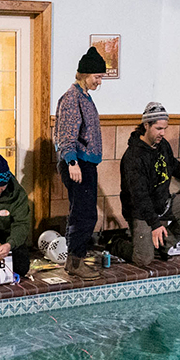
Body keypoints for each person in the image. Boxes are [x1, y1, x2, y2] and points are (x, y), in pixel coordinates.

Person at [120, 102, 180, 267]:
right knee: (143, 260)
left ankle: (160, 247)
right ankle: (116, 244)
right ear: (146, 125)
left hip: (163, 202)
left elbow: (172, 164)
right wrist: (155, 225)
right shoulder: (133, 157)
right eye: (158, 128)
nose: (163, 133)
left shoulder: (162, 145)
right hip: (140, 210)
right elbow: (140, 196)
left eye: (165, 128)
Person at [54, 47, 106, 280]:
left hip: (85, 163)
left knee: (84, 213)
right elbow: (66, 134)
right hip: (77, 163)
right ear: (84, 74)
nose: (99, 82)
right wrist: (72, 162)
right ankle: (75, 262)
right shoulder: (71, 98)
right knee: (83, 214)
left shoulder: (84, 96)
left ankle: (75, 260)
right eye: (97, 77)